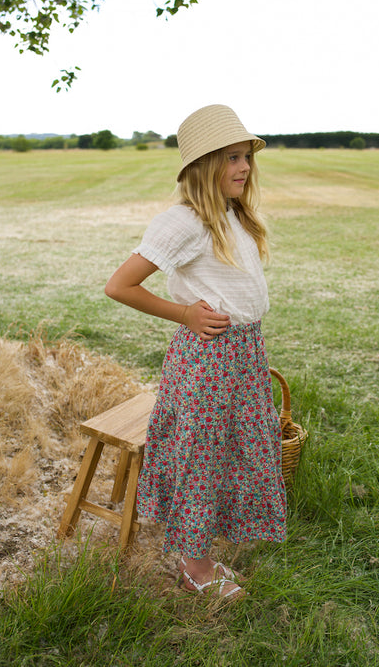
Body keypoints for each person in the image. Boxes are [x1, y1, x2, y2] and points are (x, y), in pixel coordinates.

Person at [105, 104, 287, 600]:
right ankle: (195, 567)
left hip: (242, 354)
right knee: (200, 457)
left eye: (246, 156)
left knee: (229, 453)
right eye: (231, 158)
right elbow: (120, 285)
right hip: (208, 359)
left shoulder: (232, 213)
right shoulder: (182, 222)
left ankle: (201, 548)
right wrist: (184, 314)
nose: (244, 167)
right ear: (204, 165)